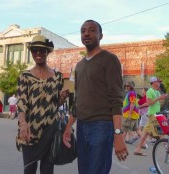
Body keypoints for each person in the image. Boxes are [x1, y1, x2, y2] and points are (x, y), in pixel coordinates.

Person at [63, 20, 128, 174]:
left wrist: (118, 134)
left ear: (101, 35)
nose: (86, 33)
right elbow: (78, 100)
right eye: (83, 31)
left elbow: (116, 99)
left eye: (92, 30)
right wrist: (68, 127)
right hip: (82, 126)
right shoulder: (79, 66)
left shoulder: (109, 59)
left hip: (102, 126)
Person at [15, 35, 70, 174]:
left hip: (50, 131)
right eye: (34, 50)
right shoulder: (25, 76)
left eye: (41, 50)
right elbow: (21, 102)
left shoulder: (57, 76)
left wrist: (61, 99)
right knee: (29, 169)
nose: (38, 53)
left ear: (47, 52)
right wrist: (23, 124)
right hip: (29, 130)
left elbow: (55, 104)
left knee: (47, 170)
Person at [134, 76, 167, 156]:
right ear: (154, 83)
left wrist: (163, 98)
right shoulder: (150, 91)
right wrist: (159, 98)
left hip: (156, 114)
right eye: (158, 81)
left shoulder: (157, 91)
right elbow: (150, 103)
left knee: (146, 132)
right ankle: (168, 151)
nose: (159, 83)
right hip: (153, 115)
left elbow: (155, 103)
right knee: (161, 132)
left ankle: (138, 149)